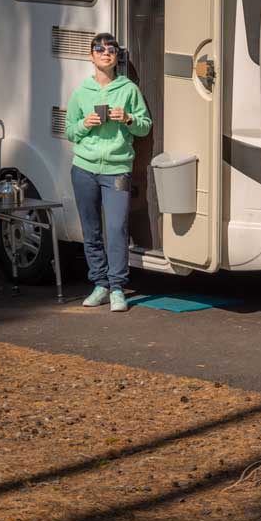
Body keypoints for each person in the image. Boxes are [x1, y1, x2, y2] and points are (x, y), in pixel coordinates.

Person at [64, 33, 152, 313]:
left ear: (117, 57)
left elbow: (145, 126)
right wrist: (85, 124)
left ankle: (117, 288)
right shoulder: (81, 92)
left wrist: (127, 119)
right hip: (84, 169)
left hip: (117, 169)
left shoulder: (129, 90)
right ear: (91, 56)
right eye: (99, 49)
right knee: (91, 231)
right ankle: (99, 284)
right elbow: (70, 131)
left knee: (116, 229)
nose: (105, 53)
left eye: (111, 49)